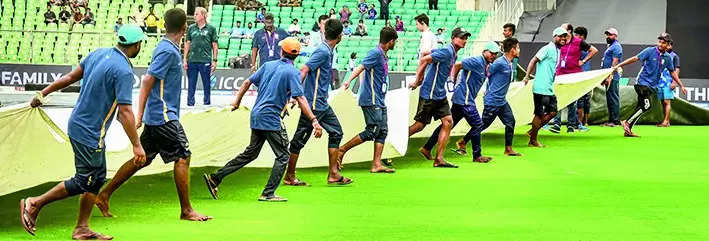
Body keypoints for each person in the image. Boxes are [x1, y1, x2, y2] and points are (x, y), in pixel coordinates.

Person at [20, 24, 146, 240]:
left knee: (97, 178)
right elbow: (124, 113)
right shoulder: (124, 71)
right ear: (137, 45)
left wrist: (43, 93)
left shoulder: (98, 54)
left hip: (79, 124)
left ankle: (82, 228)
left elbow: (69, 78)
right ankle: (34, 203)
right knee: (83, 180)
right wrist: (136, 144)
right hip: (90, 133)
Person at [94, 8, 212, 222]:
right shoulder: (167, 50)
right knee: (183, 156)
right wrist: (140, 115)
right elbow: (148, 80)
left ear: (165, 26)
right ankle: (186, 210)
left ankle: (104, 194)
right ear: (185, 28)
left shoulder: (169, 48)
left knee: (142, 159)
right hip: (164, 116)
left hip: (158, 115)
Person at [204, 37, 323, 201]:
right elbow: (301, 98)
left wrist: (237, 102)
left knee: (250, 153)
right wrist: (314, 120)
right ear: (296, 56)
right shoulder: (293, 72)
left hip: (256, 115)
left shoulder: (268, 65)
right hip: (271, 118)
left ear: (281, 51)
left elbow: (247, 82)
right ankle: (268, 193)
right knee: (283, 156)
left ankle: (215, 178)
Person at [282, 19, 352, 186]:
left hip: (322, 103)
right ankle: (289, 176)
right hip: (313, 104)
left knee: (336, 132)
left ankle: (333, 173)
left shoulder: (328, 51)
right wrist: (295, 94)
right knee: (299, 140)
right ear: (340, 35)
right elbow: (303, 70)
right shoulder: (323, 52)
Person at [407, 27, 471, 168]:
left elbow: (425, 53)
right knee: (419, 126)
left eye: (466, 38)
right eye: (461, 37)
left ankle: (439, 158)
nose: (464, 40)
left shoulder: (451, 52)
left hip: (439, 94)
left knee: (448, 122)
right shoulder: (447, 51)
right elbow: (424, 59)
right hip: (430, 93)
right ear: (453, 38)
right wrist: (419, 79)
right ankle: (392, 144)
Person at [338, 27, 399, 173]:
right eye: (395, 41)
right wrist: (348, 81)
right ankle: (342, 150)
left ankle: (376, 164)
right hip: (371, 99)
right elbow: (361, 67)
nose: (395, 43)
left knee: (383, 131)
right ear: (390, 41)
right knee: (372, 130)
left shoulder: (383, 55)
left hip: (379, 98)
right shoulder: (375, 53)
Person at [433, 42, 500, 163]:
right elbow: (457, 65)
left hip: (463, 99)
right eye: (491, 53)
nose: (493, 55)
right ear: (484, 51)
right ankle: (477, 155)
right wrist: (451, 80)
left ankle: (427, 147)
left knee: (448, 125)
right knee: (478, 124)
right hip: (465, 100)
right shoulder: (477, 61)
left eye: (495, 54)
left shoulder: (486, 65)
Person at [613, 33, 687, 137]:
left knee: (641, 106)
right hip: (641, 83)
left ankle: (628, 130)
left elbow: (672, 72)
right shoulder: (649, 51)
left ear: (668, 44)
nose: (661, 44)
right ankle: (626, 122)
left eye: (664, 42)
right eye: (660, 41)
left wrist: (681, 85)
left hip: (652, 86)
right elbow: (635, 58)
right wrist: (619, 65)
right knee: (646, 106)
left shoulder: (668, 58)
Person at [477, 38, 523, 156]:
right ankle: (463, 142)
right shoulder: (500, 62)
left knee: (510, 122)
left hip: (501, 101)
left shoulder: (510, 63)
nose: (519, 50)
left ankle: (508, 149)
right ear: (512, 49)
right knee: (483, 125)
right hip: (493, 100)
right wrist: (486, 91)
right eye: (517, 47)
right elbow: (487, 73)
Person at [523, 27, 567, 147]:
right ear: (554, 37)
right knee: (539, 114)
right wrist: (527, 76)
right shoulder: (547, 48)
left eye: (565, 36)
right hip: (540, 87)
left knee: (553, 112)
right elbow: (533, 60)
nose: (563, 38)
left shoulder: (557, 51)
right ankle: (533, 140)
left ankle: (532, 132)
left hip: (548, 88)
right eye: (560, 36)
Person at [550, 24, 598, 133]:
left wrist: (583, 61)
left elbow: (594, 50)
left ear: (570, 31)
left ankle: (571, 125)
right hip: (560, 73)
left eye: (564, 30)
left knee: (572, 100)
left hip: (573, 75)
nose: (561, 33)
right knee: (557, 98)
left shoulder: (578, 41)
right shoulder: (559, 41)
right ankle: (557, 124)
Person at [184, 7, 218, 106]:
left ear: (203, 15)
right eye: (194, 14)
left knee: (207, 85)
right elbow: (187, 44)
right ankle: (190, 104)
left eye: (196, 14)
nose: (194, 16)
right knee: (191, 84)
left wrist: (215, 60)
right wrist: (185, 60)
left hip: (205, 60)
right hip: (192, 60)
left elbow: (215, 46)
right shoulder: (191, 28)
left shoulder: (211, 29)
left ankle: (206, 104)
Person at [601, 27, 622, 127]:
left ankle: (615, 121)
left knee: (613, 98)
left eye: (610, 35)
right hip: (608, 76)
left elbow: (615, 62)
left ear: (615, 36)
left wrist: (610, 76)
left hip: (612, 76)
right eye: (607, 35)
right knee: (610, 98)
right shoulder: (611, 46)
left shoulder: (616, 46)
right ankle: (611, 120)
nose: (608, 36)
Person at [657, 40, 680, 127]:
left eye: (669, 45)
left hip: (669, 82)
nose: (667, 46)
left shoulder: (675, 56)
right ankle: (667, 121)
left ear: (671, 46)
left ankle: (666, 121)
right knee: (662, 102)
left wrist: (674, 82)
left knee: (667, 102)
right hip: (660, 82)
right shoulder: (661, 55)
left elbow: (676, 70)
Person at [574, 27, 593, 130]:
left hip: (581, 75)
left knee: (581, 100)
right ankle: (585, 122)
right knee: (586, 100)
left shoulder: (579, 45)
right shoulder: (588, 46)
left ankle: (580, 123)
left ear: (582, 36)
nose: (575, 36)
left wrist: (583, 61)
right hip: (587, 75)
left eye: (576, 34)